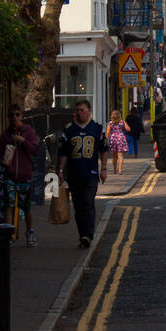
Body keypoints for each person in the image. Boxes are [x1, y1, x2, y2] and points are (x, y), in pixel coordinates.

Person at [57, 98, 105, 249]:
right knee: (78, 207)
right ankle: (82, 234)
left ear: (89, 111)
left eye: (82, 110)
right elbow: (64, 152)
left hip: (91, 174)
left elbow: (103, 150)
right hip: (74, 174)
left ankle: (88, 235)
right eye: (77, 110)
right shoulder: (69, 129)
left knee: (88, 204)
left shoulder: (97, 128)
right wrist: (60, 171)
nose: (79, 113)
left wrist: (104, 168)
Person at [0, 105, 41, 247]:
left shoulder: (28, 131)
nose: (14, 117)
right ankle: (8, 235)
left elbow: (35, 150)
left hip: (24, 176)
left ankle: (30, 233)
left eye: (17, 114)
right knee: (9, 206)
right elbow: (0, 153)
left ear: (22, 116)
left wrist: (23, 141)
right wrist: (4, 161)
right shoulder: (5, 134)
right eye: (11, 115)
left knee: (26, 207)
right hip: (10, 176)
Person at [106, 110, 128, 177]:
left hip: (113, 139)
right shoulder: (122, 122)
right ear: (119, 116)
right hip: (121, 138)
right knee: (120, 156)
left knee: (114, 156)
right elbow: (128, 129)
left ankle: (115, 170)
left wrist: (106, 139)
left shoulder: (110, 123)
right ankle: (120, 170)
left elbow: (107, 133)